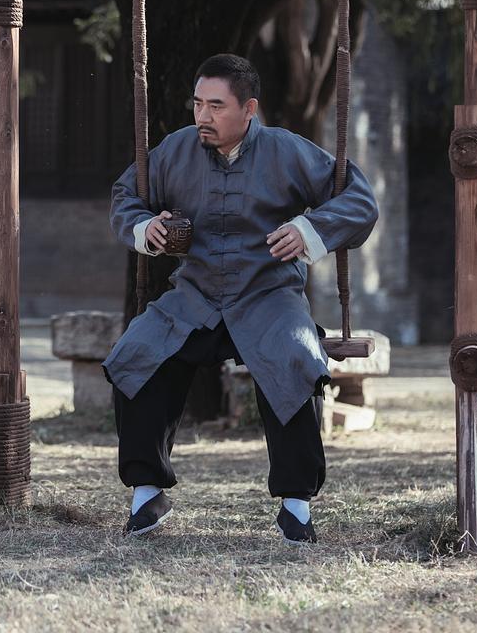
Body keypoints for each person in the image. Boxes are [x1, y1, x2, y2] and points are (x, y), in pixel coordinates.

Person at [104, 54, 379, 543]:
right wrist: (147, 227)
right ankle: (147, 492)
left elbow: (360, 200)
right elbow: (125, 197)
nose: (203, 116)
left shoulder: (286, 151)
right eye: (197, 104)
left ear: (249, 109)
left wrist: (309, 229)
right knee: (136, 352)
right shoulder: (174, 151)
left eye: (217, 106)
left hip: (269, 294)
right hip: (194, 294)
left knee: (296, 357)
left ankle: (296, 505)